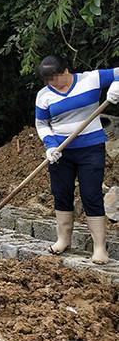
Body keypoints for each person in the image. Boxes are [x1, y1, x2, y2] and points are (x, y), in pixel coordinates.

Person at [35, 55, 118, 264]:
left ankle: (100, 248)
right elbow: (42, 124)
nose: (50, 83)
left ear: (65, 71)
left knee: (91, 194)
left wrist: (116, 87)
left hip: (90, 149)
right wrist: (50, 145)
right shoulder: (43, 96)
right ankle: (63, 240)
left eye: (53, 78)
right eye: (46, 80)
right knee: (61, 193)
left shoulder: (90, 80)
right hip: (61, 152)